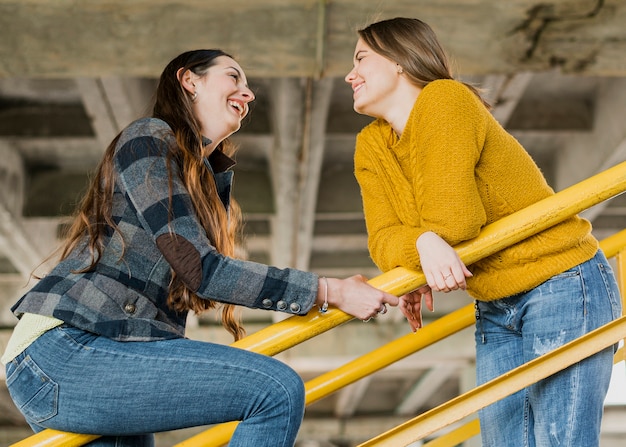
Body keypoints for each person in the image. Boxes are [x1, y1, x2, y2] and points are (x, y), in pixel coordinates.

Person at [1, 49, 399, 447]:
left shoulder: (207, 182)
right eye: (233, 77)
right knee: (272, 390)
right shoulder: (149, 137)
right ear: (190, 81)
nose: (248, 94)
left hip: (105, 351)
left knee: (271, 390)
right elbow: (203, 270)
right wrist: (331, 290)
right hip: (67, 349)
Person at [344, 17, 622, 447]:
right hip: (494, 303)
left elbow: (456, 222)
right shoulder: (371, 145)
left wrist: (421, 240)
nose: (350, 73)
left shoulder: (444, 100)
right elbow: (381, 240)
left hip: (561, 283)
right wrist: (421, 243)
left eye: (361, 58)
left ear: (400, 61)